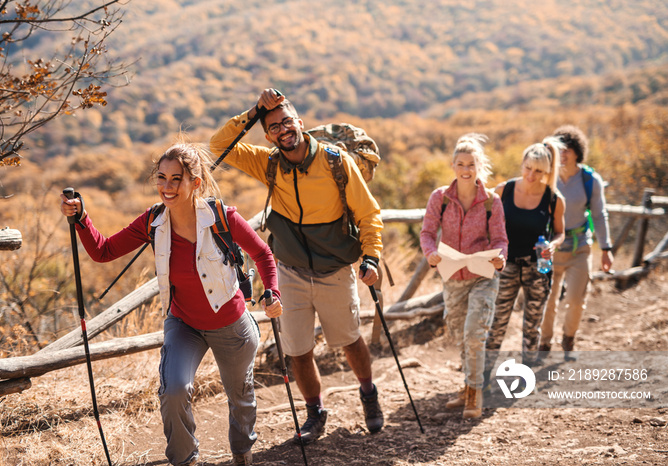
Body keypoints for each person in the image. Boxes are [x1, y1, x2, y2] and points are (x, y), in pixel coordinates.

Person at [60, 143, 282, 466]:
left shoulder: (223, 218)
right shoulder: (153, 221)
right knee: (173, 390)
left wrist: (271, 293)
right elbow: (103, 251)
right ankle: (185, 459)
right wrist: (81, 216)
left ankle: (242, 453)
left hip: (230, 323)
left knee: (240, 397)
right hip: (184, 324)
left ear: (197, 182)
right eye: (162, 178)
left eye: (176, 179)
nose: (167, 187)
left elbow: (263, 254)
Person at [209, 89, 384, 444]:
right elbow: (218, 145)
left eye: (287, 122)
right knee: (298, 349)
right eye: (273, 126)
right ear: (268, 134)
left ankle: (368, 392)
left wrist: (371, 257)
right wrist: (255, 110)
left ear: (301, 124)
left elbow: (368, 214)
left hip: (334, 268)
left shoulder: (336, 162)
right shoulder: (268, 162)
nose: (283, 130)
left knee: (350, 340)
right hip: (289, 269)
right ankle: (315, 412)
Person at [420, 134, 508, 419]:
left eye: (471, 164)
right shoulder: (440, 198)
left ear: (479, 165)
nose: (466, 169)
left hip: (483, 275)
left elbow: (501, 239)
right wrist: (430, 252)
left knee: (474, 333)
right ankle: (468, 385)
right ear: (453, 165)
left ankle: (475, 394)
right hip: (452, 275)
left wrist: (501, 257)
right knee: (460, 334)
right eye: (461, 164)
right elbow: (427, 233)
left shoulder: (492, 201)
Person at [485, 138, 566, 369]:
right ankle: (484, 377)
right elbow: (481, 216)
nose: (532, 175)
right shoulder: (504, 190)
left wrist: (553, 245)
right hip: (505, 266)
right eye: (528, 168)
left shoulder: (554, 199)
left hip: (538, 268)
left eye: (539, 171)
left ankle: (526, 373)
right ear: (522, 164)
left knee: (532, 326)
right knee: (497, 322)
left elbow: (561, 233)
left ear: (547, 171)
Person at [540, 125, 613, 360]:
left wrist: (606, 249)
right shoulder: (546, 177)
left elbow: (600, 215)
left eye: (567, 150)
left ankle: (568, 338)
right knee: (547, 301)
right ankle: (544, 343)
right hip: (550, 250)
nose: (563, 154)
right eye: (558, 149)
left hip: (580, 247)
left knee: (575, 300)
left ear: (577, 152)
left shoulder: (590, 180)